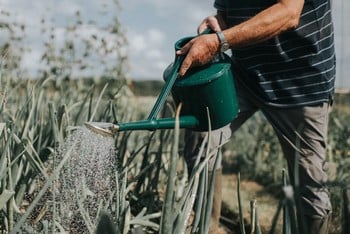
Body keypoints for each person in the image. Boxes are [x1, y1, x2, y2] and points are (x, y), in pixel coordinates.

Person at [176, 0, 335, 233]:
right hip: (246, 74)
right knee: (203, 133)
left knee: (308, 178)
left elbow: (289, 13)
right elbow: (227, 12)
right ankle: (206, 226)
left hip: (300, 82)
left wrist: (219, 41)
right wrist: (219, 23)